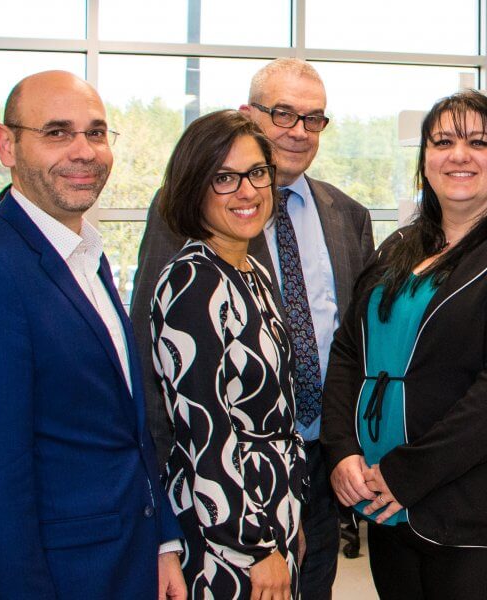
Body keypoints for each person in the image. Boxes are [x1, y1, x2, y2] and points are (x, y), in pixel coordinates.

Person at [0, 70, 185, 599]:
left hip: (129, 556)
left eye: (96, 133)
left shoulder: (86, 256)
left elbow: (126, 430)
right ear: (7, 144)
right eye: (56, 132)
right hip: (66, 576)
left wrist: (162, 542)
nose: (84, 151)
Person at [320, 90, 487, 600]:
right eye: (442, 141)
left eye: (478, 142)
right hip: (389, 505)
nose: (458, 154)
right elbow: (350, 352)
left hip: (484, 513)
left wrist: (402, 474)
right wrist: (341, 449)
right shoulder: (399, 248)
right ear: (425, 160)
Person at [130, 58, 374, 599]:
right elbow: (165, 380)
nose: (298, 131)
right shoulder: (191, 236)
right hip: (223, 498)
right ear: (248, 114)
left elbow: (355, 349)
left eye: (313, 119)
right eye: (283, 113)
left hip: (312, 467)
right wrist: (165, 528)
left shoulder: (347, 217)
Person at [149, 109, 304, 599]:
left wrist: (289, 521)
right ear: (194, 188)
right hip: (229, 540)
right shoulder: (193, 283)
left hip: (271, 518)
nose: (247, 191)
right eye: (224, 178)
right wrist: (257, 547)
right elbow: (206, 433)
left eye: (257, 172)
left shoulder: (250, 271)